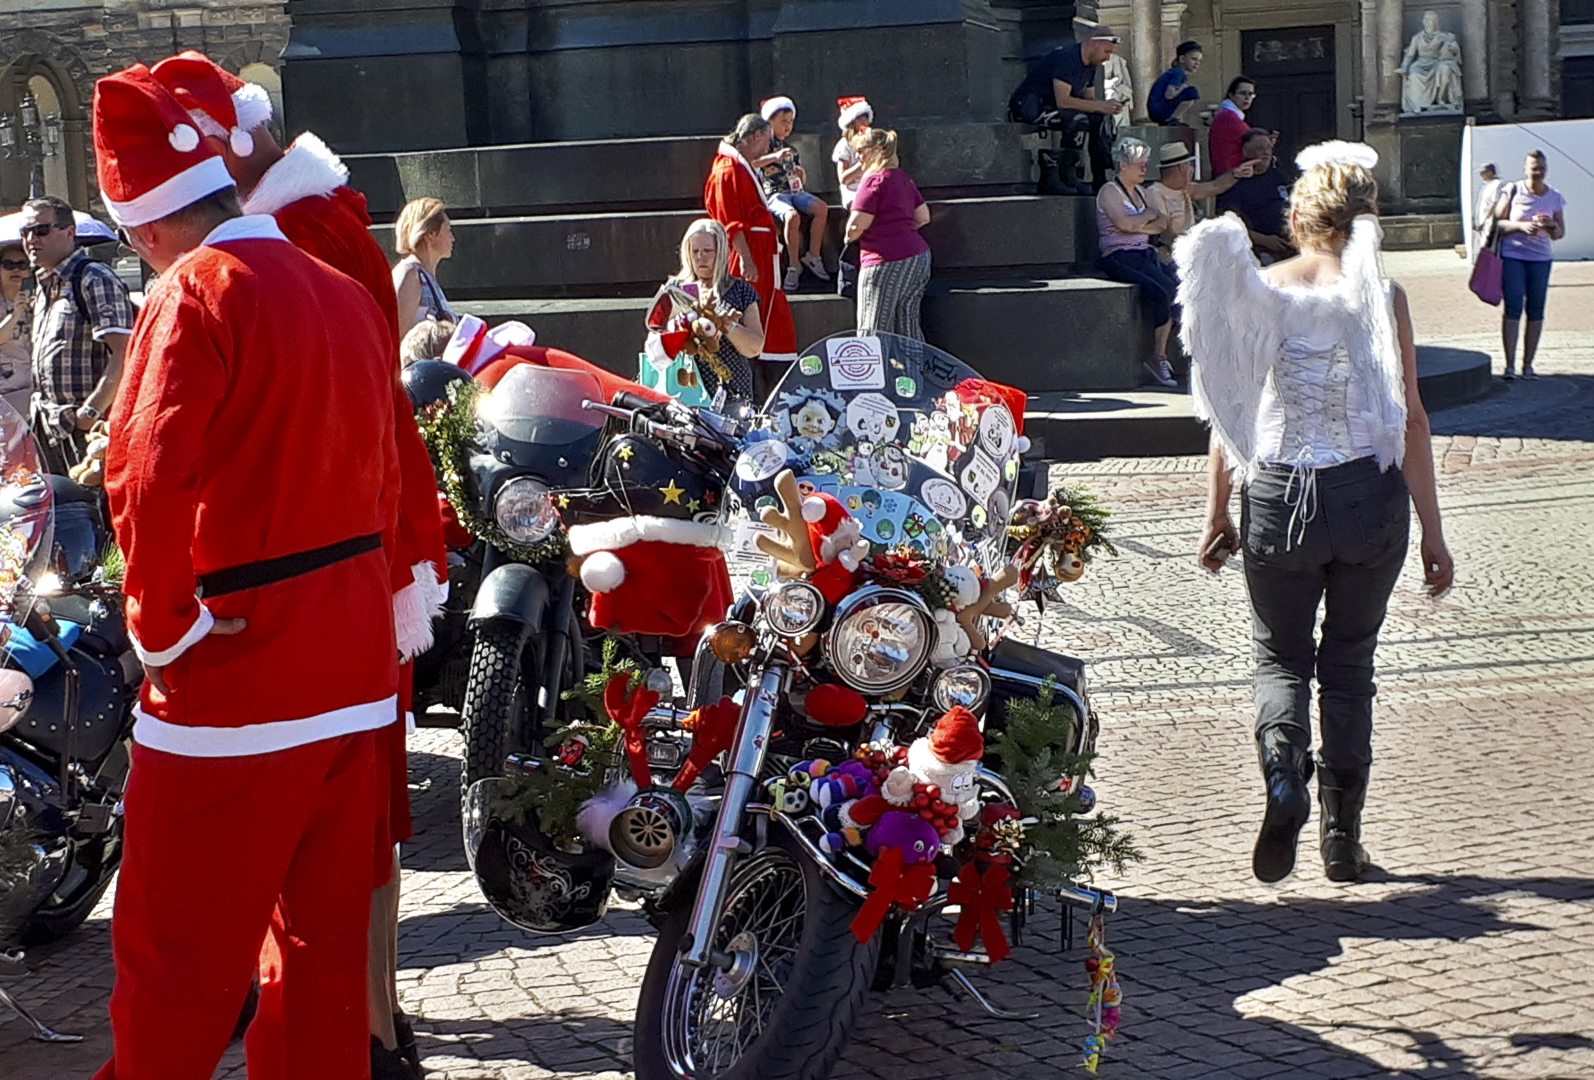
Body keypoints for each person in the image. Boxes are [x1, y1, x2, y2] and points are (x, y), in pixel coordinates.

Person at [91, 62, 403, 1080]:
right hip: (351, 668)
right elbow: (386, 476)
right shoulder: (342, 291)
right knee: (318, 961)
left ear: (143, 228)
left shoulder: (194, 293)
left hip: (240, 669)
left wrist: (164, 627)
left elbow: (144, 469)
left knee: (176, 958)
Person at [151, 49, 449, 1080]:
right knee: (342, 840)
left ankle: (367, 1024)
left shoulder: (240, 262)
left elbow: (152, 466)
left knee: (204, 914)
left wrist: (161, 623)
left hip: (274, 600)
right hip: (358, 576)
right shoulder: (318, 236)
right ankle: (360, 1027)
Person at [1180, 140, 1453, 886]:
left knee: (1280, 656)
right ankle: (1341, 839)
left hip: (1277, 494)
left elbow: (1230, 409)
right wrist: (1433, 530)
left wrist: (1217, 512)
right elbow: (1414, 420)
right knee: (1350, 666)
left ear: (1299, 217)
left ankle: (1280, 771)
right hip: (1367, 494)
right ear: (1365, 218)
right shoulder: (1381, 295)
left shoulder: (1265, 287)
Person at [15, 195, 135, 474]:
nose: (32, 239)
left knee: (93, 511)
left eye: (41, 230)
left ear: (70, 233)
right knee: (61, 511)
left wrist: (90, 413)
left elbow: (125, 351)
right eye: (26, 232)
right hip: (48, 428)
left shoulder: (93, 277)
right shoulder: (44, 285)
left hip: (89, 432)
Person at [704, 113, 799, 401]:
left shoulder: (738, 165)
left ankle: (770, 377)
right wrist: (745, 257)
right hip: (750, 253)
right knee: (751, 311)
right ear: (756, 136)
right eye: (766, 141)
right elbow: (731, 220)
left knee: (771, 313)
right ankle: (753, 379)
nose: (767, 149)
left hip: (761, 251)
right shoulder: (727, 170)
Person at [1096, 138, 1180, 387]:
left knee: (1178, 289)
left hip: (1144, 253)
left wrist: (1140, 223)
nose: (1145, 169)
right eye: (1139, 164)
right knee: (1159, 291)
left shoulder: (1141, 193)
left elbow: (1161, 224)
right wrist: (1145, 219)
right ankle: (1158, 356)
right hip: (1119, 256)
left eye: (1145, 164)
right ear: (1123, 165)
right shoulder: (1109, 191)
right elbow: (1124, 224)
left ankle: (1161, 354)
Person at [1007, 24, 1125, 194]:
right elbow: (1063, 101)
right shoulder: (1066, 58)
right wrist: (1099, 105)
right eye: (1107, 52)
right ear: (1095, 44)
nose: (1107, 58)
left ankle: (1100, 178)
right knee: (1077, 120)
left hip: (1055, 106)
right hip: (1030, 106)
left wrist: (1106, 107)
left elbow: (1088, 99)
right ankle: (1066, 174)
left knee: (1099, 118)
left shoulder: (1091, 65)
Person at [845, 128, 931, 341]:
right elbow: (923, 217)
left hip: (883, 261)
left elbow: (856, 226)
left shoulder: (873, 180)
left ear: (877, 151)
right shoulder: (902, 179)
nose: (859, 158)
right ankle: (912, 373)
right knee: (908, 327)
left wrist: (848, 237)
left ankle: (876, 375)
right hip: (918, 257)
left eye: (862, 152)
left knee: (872, 329)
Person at [667, 218, 764, 403]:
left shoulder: (741, 290)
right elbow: (655, 337)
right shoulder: (674, 289)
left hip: (731, 391)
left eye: (707, 251)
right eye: (695, 251)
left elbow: (755, 347)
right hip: (683, 393)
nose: (700, 257)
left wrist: (728, 325)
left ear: (720, 253)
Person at [1492, 150, 1565, 380]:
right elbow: (1497, 223)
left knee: (1536, 309)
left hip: (1540, 259)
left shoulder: (1554, 196)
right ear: (1526, 168)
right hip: (1513, 255)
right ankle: (1510, 365)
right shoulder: (1513, 190)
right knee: (1513, 307)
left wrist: (1551, 224)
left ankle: (1529, 365)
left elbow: (1560, 233)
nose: (1538, 172)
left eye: (1542, 167)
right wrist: (1520, 227)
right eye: (1534, 167)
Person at [754, 96, 829, 291]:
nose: (788, 126)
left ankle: (813, 255)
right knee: (792, 216)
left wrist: (801, 174)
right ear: (770, 122)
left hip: (795, 191)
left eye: (790, 122)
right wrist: (773, 157)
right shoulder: (761, 145)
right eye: (783, 121)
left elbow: (798, 176)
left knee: (821, 208)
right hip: (774, 194)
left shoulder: (792, 149)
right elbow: (752, 163)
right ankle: (794, 264)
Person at [1143, 141, 1257, 259]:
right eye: (1190, 165)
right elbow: (1165, 230)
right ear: (1183, 167)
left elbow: (1215, 186)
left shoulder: (1186, 189)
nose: (1192, 169)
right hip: (1170, 253)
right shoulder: (1155, 193)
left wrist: (1236, 174)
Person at [1216, 129, 1295, 264]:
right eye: (1260, 148)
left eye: (1269, 148)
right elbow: (1228, 224)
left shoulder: (1280, 176)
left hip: (1293, 243)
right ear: (1245, 152)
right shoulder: (1235, 182)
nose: (1266, 153)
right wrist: (1265, 240)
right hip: (1258, 249)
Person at [392, 197, 455, 330]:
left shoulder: (427, 277)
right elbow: (393, 336)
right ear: (431, 233)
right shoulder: (410, 274)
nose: (452, 238)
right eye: (448, 230)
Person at [0, 239, 33, 418]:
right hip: (4, 392)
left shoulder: (37, 300)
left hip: (31, 389)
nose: (16, 270)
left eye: (22, 264)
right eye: (8, 265)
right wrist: (14, 317)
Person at [1208, 76, 1256, 175]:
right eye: (1242, 93)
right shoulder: (1227, 116)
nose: (1247, 97)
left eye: (1251, 94)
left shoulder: (1228, 115)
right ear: (1231, 95)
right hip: (1231, 175)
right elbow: (1253, 141)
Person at [1148, 41, 1204, 125]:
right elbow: (1169, 95)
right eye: (1194, 59)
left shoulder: (1175, 72)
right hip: (1159, 110)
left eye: (1199, 60)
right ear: (1182, 59)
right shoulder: (1178, 72)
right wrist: (1183, 88)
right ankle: (1172, 119)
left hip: (1156, 110)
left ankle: (1172, 119)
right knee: (1193, 92)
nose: (1197, 63)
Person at [833, 96, 873, 210]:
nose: (864, 121)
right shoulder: (845, 145)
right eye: (859, 118)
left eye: (866, 117)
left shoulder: (872, 141)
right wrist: (861, 165)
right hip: (853, 192)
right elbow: (843, 179)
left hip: (872, 186)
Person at [1469, 162, 1501, 259]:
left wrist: (1484, 221)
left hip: (1489, 222)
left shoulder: (1497, 184)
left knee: (1487, 246)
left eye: (1483, 172)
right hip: (1482, 222)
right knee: (1481, 246)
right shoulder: (1487, 185)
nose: (1481, 175)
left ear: (1490, 172)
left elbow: (1494, 204)